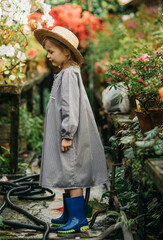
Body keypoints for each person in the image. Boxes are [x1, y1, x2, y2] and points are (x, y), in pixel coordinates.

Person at [33, 26, 108, 234]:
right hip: (67, 133)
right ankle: (69, 213)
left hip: (70, 135)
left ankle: (78, 218)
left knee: (73, 173)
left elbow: (70, 107)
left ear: (66, 52)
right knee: (68, 171)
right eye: (46, 52)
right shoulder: (65, 72)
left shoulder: (68, 75)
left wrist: (67, 134)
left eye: (51, 52)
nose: (48, 56)